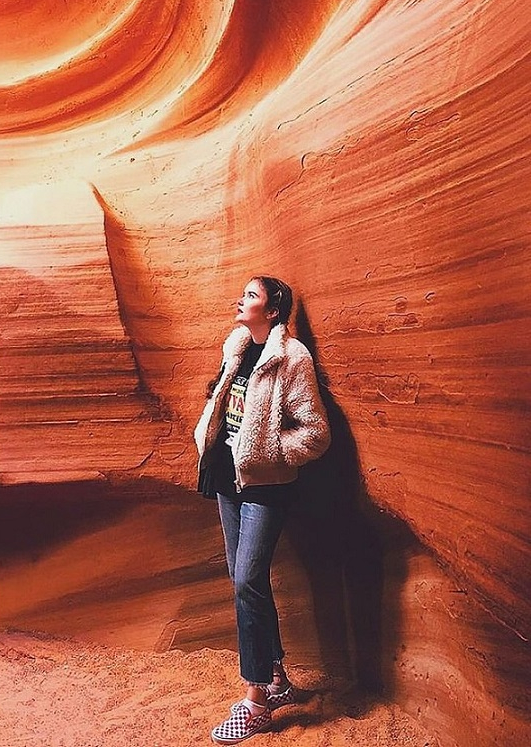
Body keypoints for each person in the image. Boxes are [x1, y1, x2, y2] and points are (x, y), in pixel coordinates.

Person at [194, 276, 330, 743]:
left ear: (273, 311)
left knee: (248, 580)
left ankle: (255, 701)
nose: (241, 300)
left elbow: (314, 432)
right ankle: (277, 681)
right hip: (227, 482)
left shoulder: (291, 358)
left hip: (265, 485)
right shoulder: (236, 346)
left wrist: (270, 451)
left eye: (251, 296)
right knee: (244, 581)